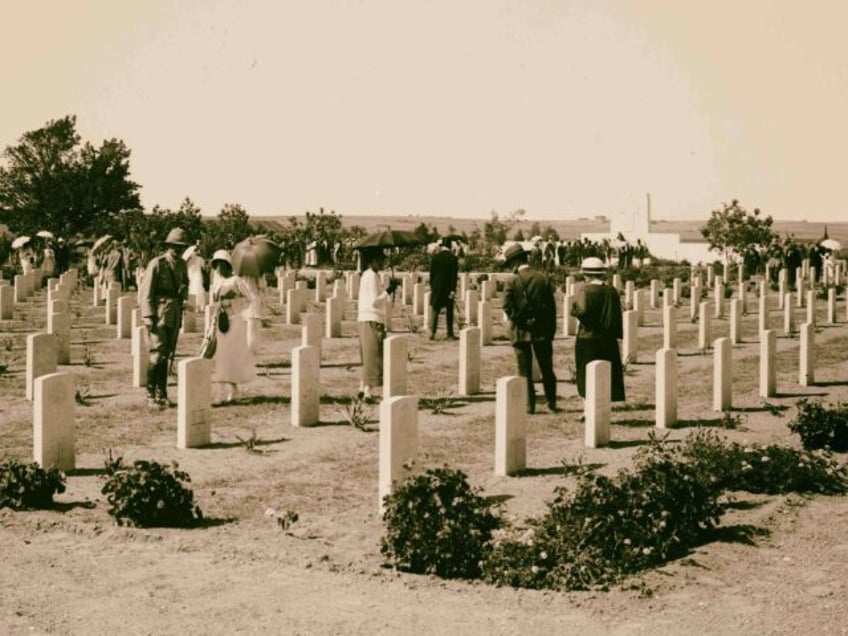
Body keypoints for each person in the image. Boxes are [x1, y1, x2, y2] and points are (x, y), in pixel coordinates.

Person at [502, 243, 559, 414]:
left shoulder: (511, 280)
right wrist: (550, 331)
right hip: (542, 330)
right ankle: (551, 402)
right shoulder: (543, 278)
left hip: (520, 330)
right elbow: (551, 308)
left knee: (524, 370)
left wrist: (522, 321)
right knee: (547, 369)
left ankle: (529, 405)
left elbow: (507, 306)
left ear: (515, 262)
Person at [139, 227, 190, 408]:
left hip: (174, 313)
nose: (178, 250)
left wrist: (184, 294)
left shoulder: (183, 264)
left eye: (181, 247)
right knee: (157, 354)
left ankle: (162, 393)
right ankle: (150, 395)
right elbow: (145, 292)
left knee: (166, 355)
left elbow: (185, 286)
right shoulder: (158, 263)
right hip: (159, 314)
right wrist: (148, 316)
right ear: (168, 245)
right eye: (175, 246)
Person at [570, 256, 626, 403]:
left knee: (585, 374)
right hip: (607, 339)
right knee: (605, 374)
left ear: (585, 274)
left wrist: (574, 311)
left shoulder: (585, 290)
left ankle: (588, 407)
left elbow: (582, 312)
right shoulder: (611, 291)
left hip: (588, 338)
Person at [208, 250, 259, 403]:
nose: (218, 268)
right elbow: (214, 303)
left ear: (227, 265)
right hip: (220, 321)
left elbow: (251, 298)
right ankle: (220, 390)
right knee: (220, 356)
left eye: (221, 265)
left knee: (232, 356)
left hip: (234, 322)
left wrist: (236, 302)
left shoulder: (236, 280)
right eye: (216, 265)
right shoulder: (216, 282)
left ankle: (233, 390)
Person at [356, 247, 399, 401]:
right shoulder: (372, 276)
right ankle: (368, 391)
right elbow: (375, 302)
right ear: (372, 261)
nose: (382, 262)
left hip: (364, 319)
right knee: (374, 356)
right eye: (380, 259)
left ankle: (362, 387)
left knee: (368, 356)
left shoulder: (368, 275)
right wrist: (388, 290)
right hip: (372, 319)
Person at [428, 237, 459, 340]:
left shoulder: (435, 258)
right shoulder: (453, 258)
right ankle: (449, 333)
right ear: (450, 246)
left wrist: (433, 287)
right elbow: (453, 276)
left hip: (437, 287)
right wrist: (453, 290)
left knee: (435, 310)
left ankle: (432, 333)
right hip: (447, 288)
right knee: (449, 311)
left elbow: (431, 275)